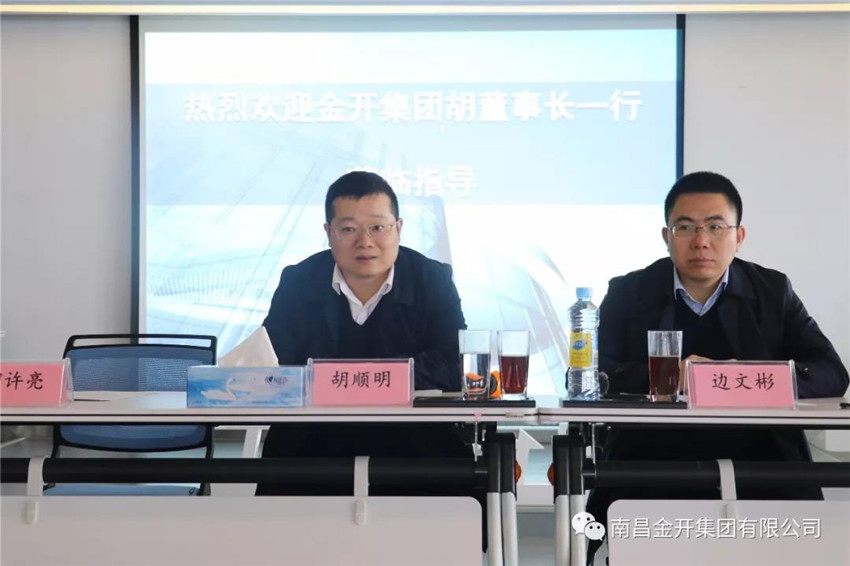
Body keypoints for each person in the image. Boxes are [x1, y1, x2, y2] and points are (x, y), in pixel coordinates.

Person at [586, 171, 849, 561]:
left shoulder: (772, 290)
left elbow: (831, 372)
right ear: (666, 236)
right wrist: (672, 377)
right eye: (685, 227)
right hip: (652, 462)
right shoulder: (628, 292)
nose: (701, 241)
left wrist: (747, 379)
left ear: (738, 236)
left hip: (762, 462)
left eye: (715, 226)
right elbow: (594, 375)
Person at [256, 171, 476, 498]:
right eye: (348, 229)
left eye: (377, 227)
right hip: (310, 449)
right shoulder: (299, 280)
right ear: (328, 233)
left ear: (398, 228)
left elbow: (453, 364)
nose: (365, 242)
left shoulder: (432, 279)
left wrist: (348, 377)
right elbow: (272, 364)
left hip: (417, 448)